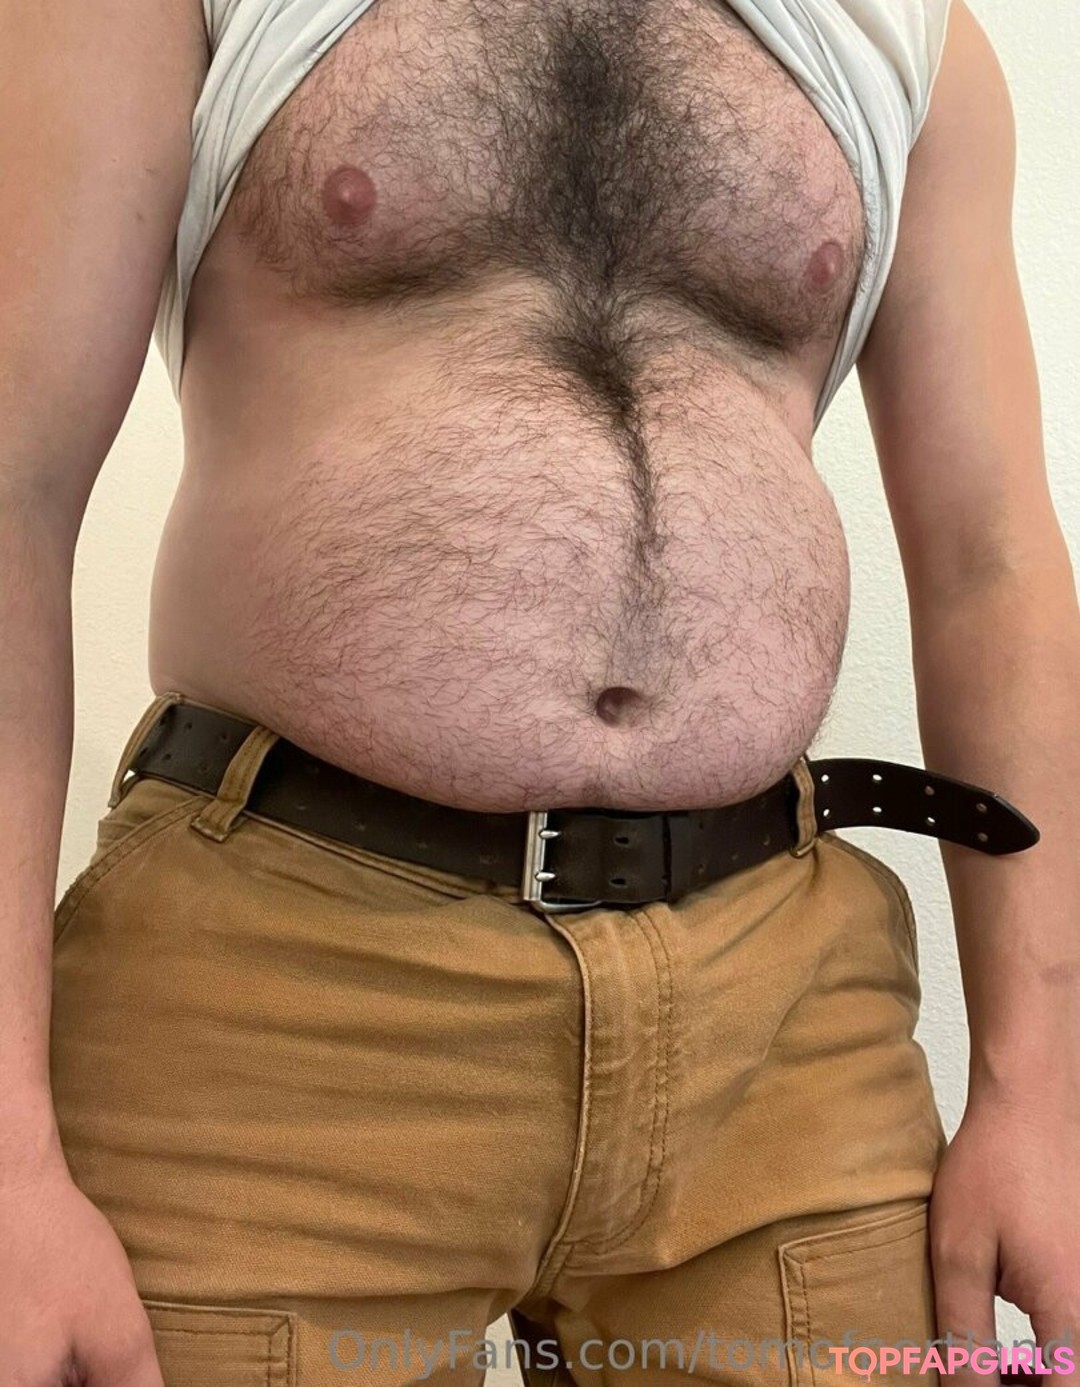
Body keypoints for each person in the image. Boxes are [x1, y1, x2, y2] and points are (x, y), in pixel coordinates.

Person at [1, 0, 1077, 1383]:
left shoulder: (908, 36)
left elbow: (995, 566)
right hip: (277, 1001)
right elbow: (15, 496)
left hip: (782, 1026)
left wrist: (1038, 1096)